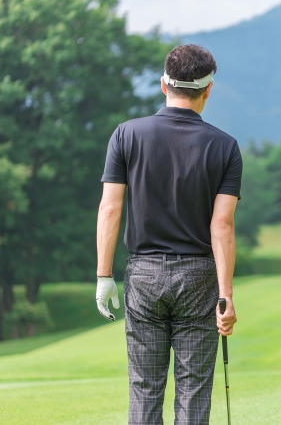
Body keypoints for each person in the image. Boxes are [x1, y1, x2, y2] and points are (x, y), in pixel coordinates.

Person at [95, 44, 241, 425]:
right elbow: (221, 225)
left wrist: (104, 276)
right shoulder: (225, 146)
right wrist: (225, 297)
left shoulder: (126, 135)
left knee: (145, 389)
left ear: (164, 84)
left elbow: (110, 208)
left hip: (142, 275)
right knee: (193, 391)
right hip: (198, 277)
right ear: (208, 90)